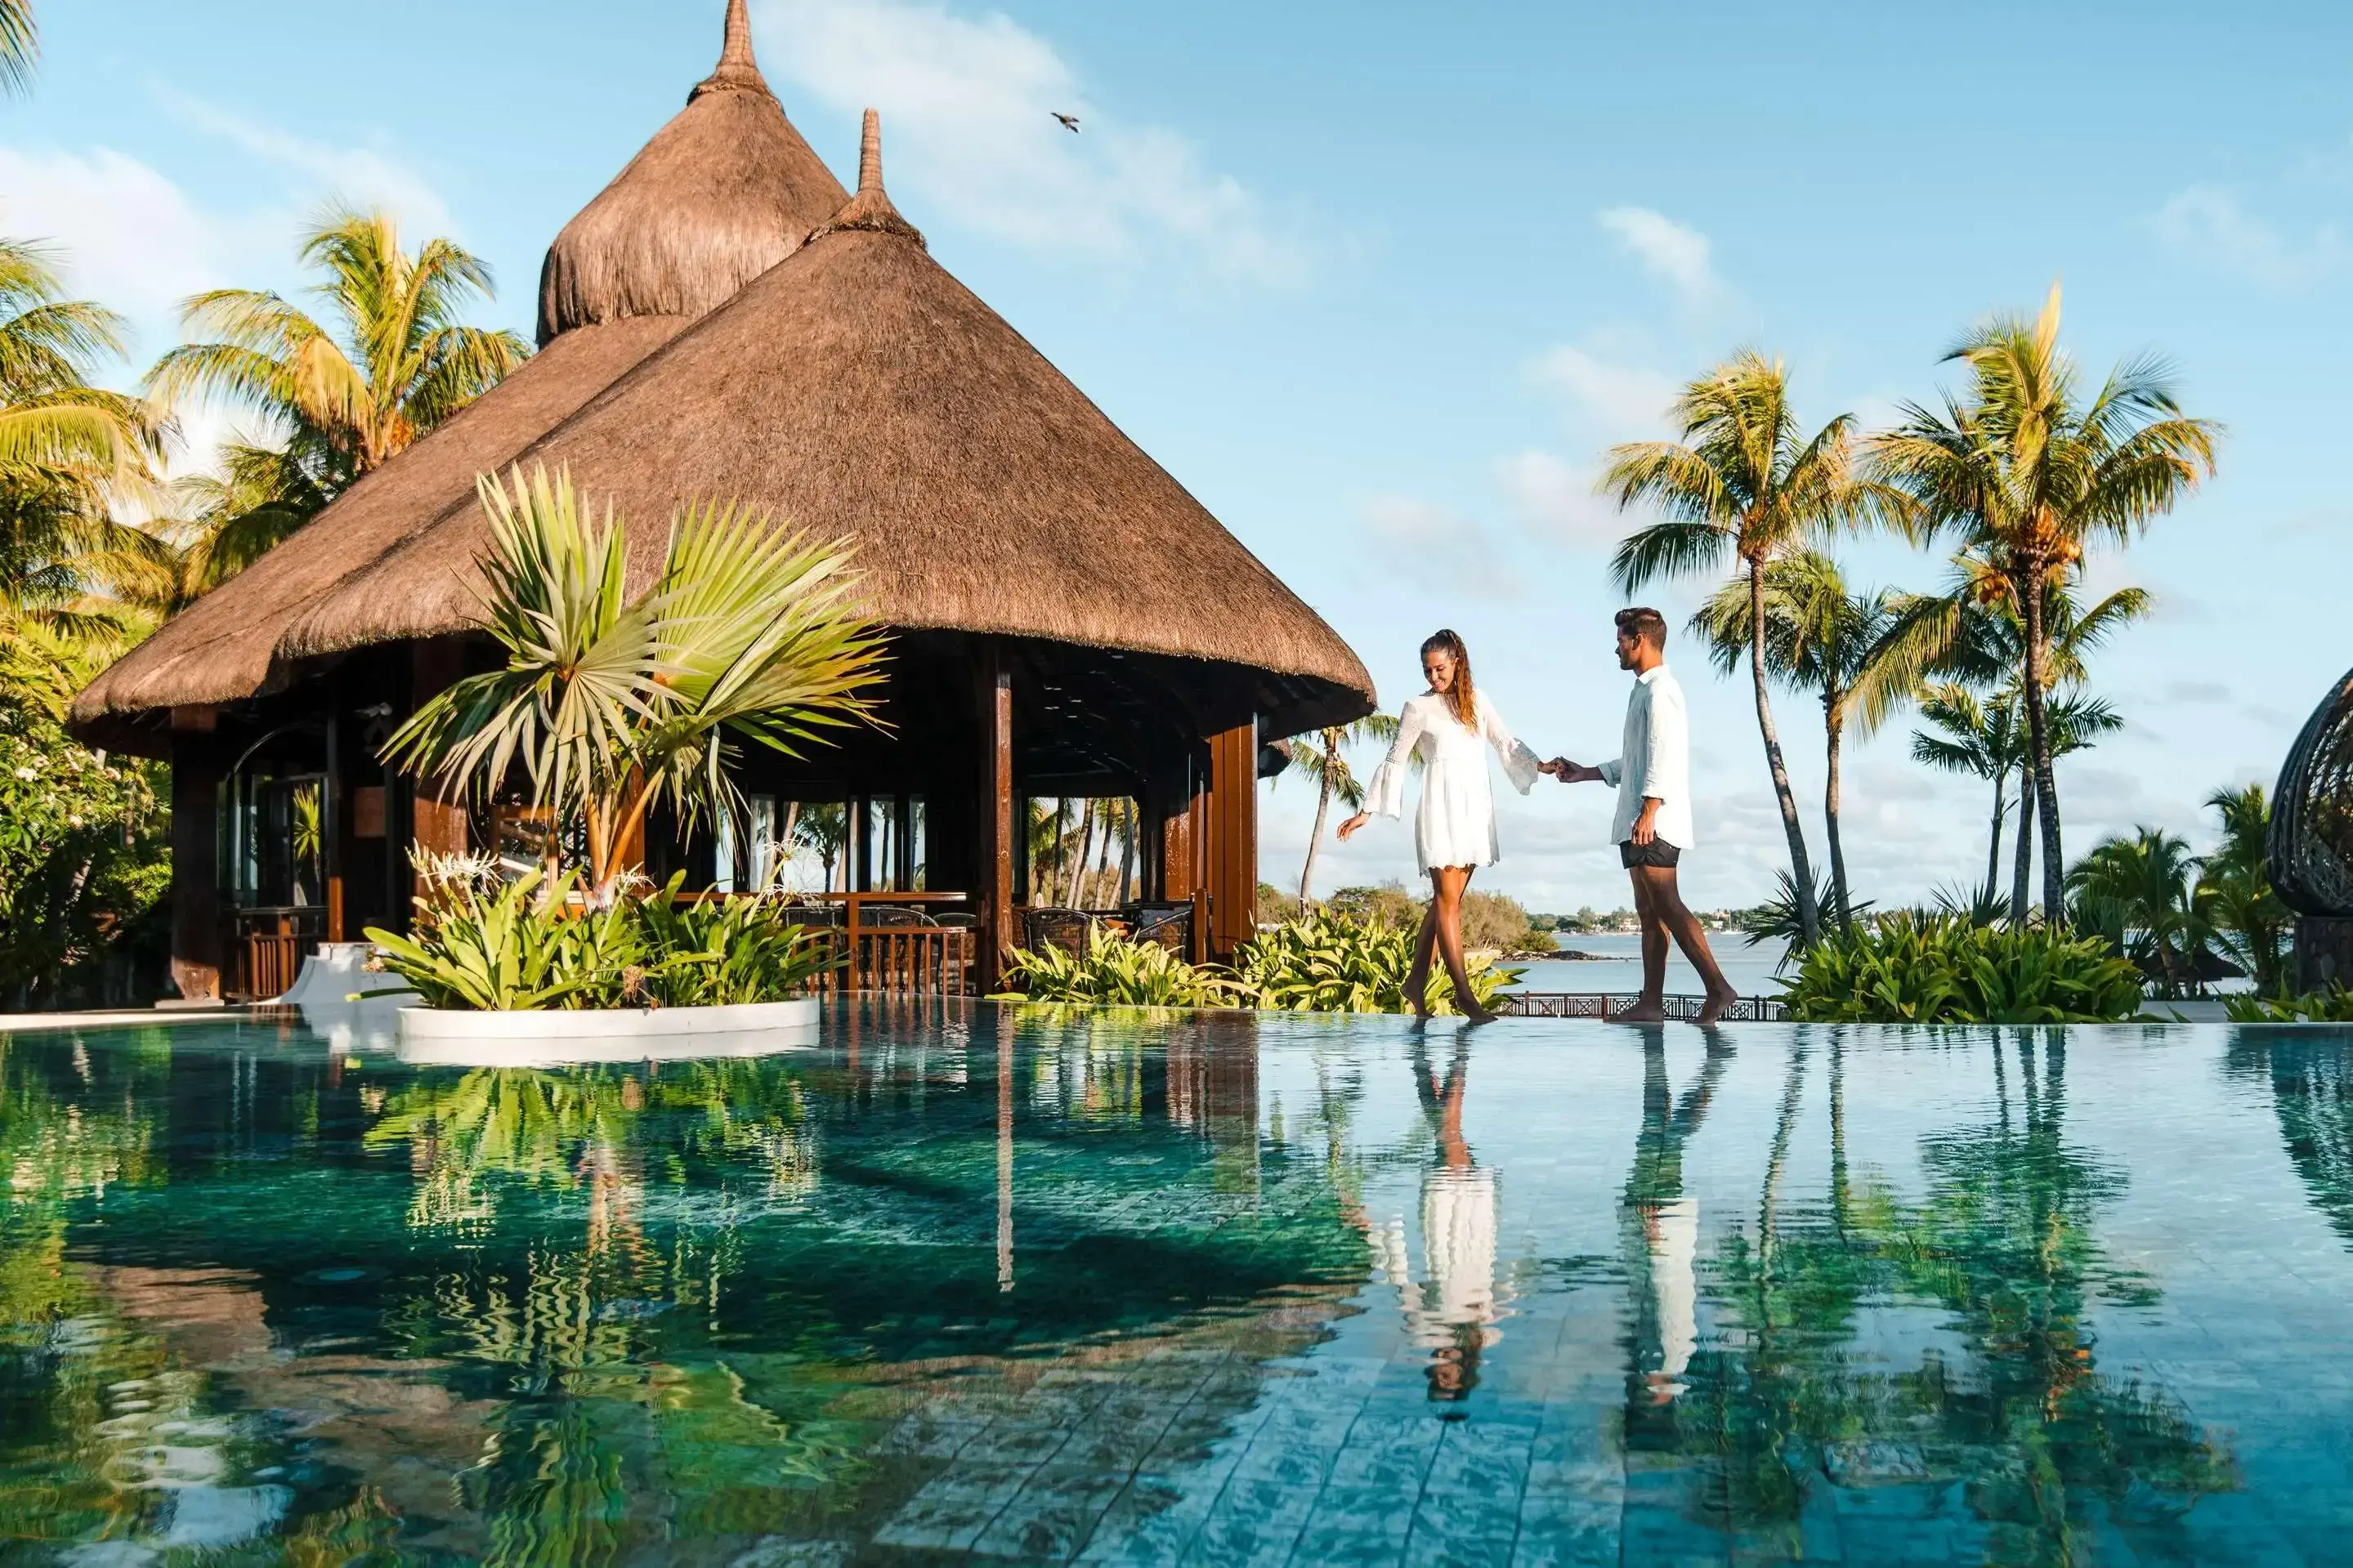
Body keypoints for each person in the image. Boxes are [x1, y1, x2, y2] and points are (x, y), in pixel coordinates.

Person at [1337, 629, 1544, 1022]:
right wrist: (1367, 811)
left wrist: (1541, 765)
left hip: (1473, 808)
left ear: (1457, 663)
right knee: (1448, 903)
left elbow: (1505, 743)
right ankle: (1465, 996)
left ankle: (1415, 982)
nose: (1434, 678)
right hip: (1440, 807)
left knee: (1446, 903)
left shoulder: (1478, 701)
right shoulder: (1418, 707)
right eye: (1427, 671)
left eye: (1440, 669)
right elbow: (1396, 758)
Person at [1546, 607, 1738, 1024]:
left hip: (1653, 820)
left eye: (1620, 640)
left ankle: (1718, 988)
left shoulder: (1660, 692)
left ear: (1640, 641)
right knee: (1649, 913)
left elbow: (1663, 756)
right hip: (1637, 818)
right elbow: (1638, 757)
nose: (1616, 647)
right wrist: (1588, 773)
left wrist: (1650, 809)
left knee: (1667, 904)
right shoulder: (1642, 690)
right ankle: (1651, 1003)